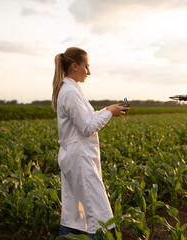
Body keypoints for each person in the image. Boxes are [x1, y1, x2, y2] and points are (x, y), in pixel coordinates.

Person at [52, 47, 129, 240]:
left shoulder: (72, 89)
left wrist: (108, 109)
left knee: (74, 212)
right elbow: (87, 128)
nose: (89, 72)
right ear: (75, 66)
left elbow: (87, 118)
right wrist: (110, 113)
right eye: (86, 66)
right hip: (79, 158)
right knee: (98, 214)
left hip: (75, 156)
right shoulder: (70, 92)